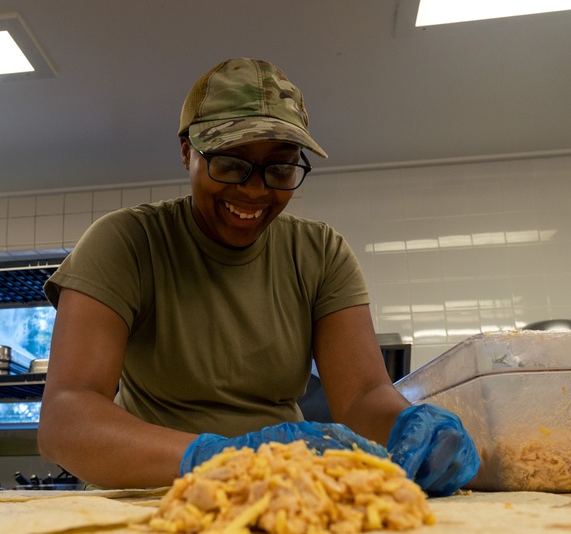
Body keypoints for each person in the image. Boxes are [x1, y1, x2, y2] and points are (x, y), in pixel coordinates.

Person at [38, 57, 479, 495]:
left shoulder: (321, 254)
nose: (254, 190)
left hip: (284, 491)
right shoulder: (126, 243)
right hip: (151, 494)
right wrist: (223, 460)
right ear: (187, 150)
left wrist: (410, 425)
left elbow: (363, 395)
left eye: (281, 168)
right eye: (230, 164)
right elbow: (65, 419)